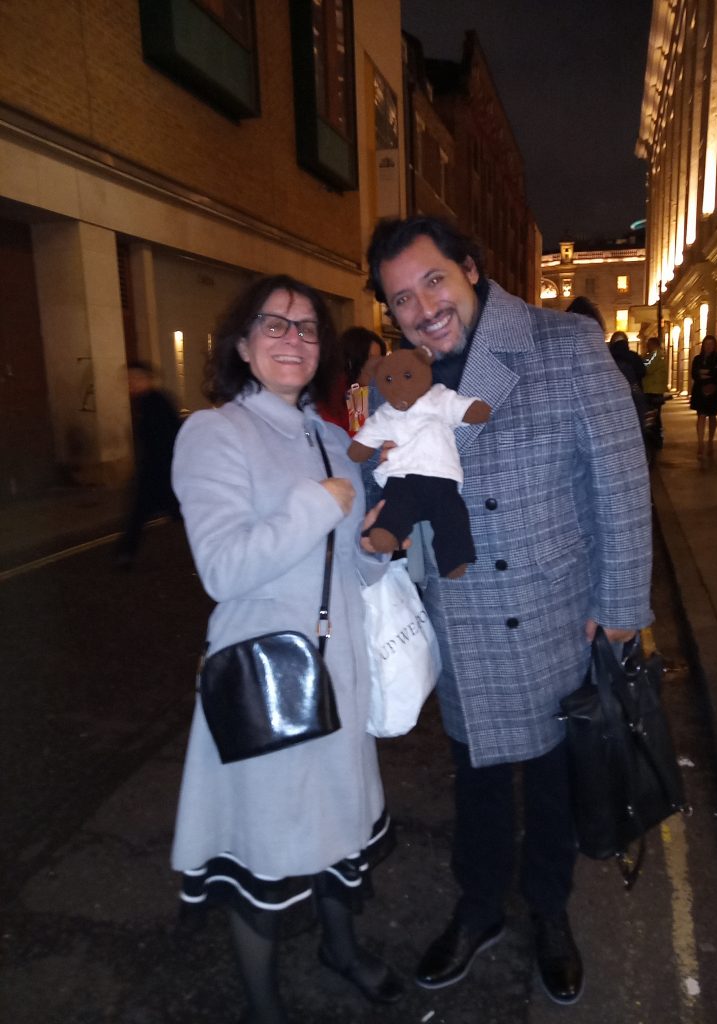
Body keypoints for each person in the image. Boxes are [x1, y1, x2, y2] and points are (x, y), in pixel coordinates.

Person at [364, 216, 652, 1006]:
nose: (423, 307)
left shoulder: (563, 347)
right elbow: (381, 487)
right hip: (464, 619)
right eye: (402, 298)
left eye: (433, 281)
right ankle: (481, 905)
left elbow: (621, 486)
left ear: (470, 269)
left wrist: (621, 610)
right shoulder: (402, 376)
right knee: (479, 779)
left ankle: (551, 912)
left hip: (558, 614)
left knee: (557, 780)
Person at [170, 275, 403, 1024]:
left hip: (340, 669)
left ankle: (341, 947)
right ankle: (264, 1006)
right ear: (241, 345)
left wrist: (380, 542)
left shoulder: (334, 436)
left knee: (336, 831)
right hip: (267, 675)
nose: (294, 339)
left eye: (307, 328)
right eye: (275, 325)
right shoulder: (214, 433)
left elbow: (351, 566)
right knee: (265, 849)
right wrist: (318, 503)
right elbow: (222, 568)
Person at [114, 361, 181, 567]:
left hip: (162, 471)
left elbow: (169, 437)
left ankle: (125, 553)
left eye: (135, 379)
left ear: (146, 378)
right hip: (156, 471)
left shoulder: (158, 402)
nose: (130, 383)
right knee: (139, 513)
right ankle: (125, 553)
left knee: (179, 512)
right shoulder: (145, 402)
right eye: (128, 379)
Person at [689, 335, 717, 461]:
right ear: (703, 345)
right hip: (700, 389)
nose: (709, 346)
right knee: (701, 415)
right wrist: (703, 375)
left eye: (711, 344)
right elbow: (694, 373)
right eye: (706, 344)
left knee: (713, 416)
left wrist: (706, 375)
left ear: (714, 345)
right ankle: (700, 443)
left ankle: (710, 441)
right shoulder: (698, 358)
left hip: (714, 390)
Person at [608, 331, 649, 438]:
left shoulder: (608, 357)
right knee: (638, 424)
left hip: (613, 396)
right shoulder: (633, 356)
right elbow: (642, 372)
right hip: (634, 393)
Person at [642, 336, 668, 451]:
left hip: (653, 390)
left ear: (653, 345)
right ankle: (657, 438)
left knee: (654, 417)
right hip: (654, 389)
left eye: (648, 344)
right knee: (656, 416)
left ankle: (657, 440)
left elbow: (646, 368)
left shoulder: (655, 355)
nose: (647, 346)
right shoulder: (656, 355)